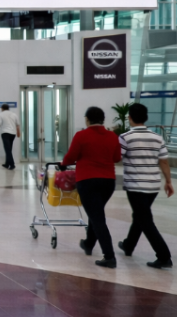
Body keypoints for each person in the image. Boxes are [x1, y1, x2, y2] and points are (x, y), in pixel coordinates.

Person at [61, 106, 121, 268]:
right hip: (108, 182)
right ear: (103, 119)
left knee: (97, 218)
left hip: (87, 180)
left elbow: (71, 157)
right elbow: (116, 158)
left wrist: (63, 164)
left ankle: (109, 256)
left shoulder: (81, 135)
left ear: (87, 119)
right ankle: (88, 243)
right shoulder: (112, 136)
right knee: (96, 212)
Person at [118, 103, 173, 269]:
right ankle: (128, 245)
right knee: (140, 216)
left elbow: (117, 157)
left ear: (130, 118)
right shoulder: (157, 138)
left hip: (135, 185)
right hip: (153, 186)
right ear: (146, 118)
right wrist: (168, 181)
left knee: (145, 220)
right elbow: (163, 161)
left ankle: (164, 256)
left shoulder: (125, 137)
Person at [0, 103, 21, 170]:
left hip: (5, 133)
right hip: (13, 133)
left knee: (7, 149)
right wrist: (18, 132)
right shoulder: (14, 114)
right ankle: (7, 164)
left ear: (2, 108)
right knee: (9, 148)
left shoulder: (0, 114)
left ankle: (12, 164)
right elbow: (17, 124)